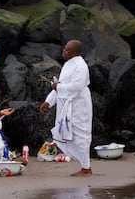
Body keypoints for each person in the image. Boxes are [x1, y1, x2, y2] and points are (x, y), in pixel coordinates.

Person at [39, 40, 93, 176]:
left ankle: (86, 168)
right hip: (67, 106)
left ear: (75, 53)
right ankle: (83, 166)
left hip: (79, 105)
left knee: (81, 134)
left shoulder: (81, 66)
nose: (64, 51)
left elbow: (76, 86)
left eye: (67, 50)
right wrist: (48, 102)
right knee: (67, 132)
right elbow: (60, 85)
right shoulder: (68, 64)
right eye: (64, 49)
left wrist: (58, 87)